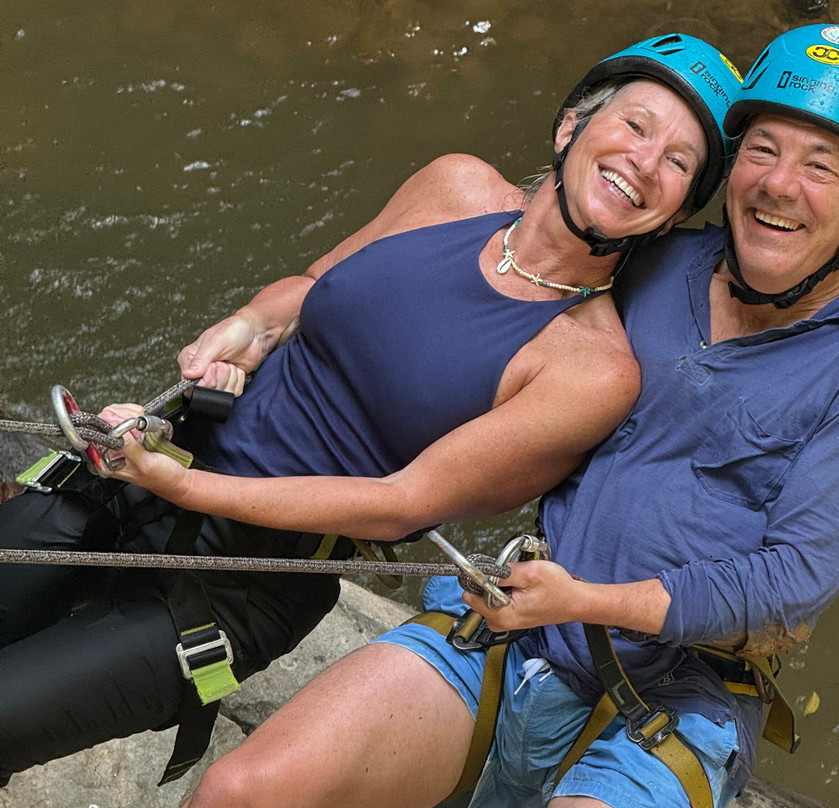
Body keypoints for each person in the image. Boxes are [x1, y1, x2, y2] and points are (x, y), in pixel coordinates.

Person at [179, 24, 839, 808]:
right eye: (763, 151)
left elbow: (787, 588)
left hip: (675, 702)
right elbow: (515, 245)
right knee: (239, 793)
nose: (780, 185)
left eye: (821, 167)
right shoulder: (660, 258)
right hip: (508, 639)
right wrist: (272, 326)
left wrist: (585, 600)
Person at [0, 34, 742, 789]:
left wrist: (181, 487)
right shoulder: (455, 188)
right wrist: (249, 325)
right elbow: (315, 287)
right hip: (134, 478)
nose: (645, 164)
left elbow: (398, 505)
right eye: (636, 126)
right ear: (570, 127)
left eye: (679, 163)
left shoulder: (590, 368)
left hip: (237, 585)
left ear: (675, 210)